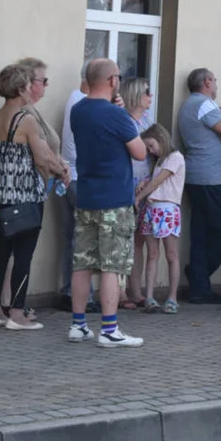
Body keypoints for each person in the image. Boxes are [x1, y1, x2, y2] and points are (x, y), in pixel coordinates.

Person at [69, 59, 148, 348]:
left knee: (82, 263)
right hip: (114, 198)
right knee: (112, 266)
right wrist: (125, 116)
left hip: (87, 194)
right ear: (113, 81)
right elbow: (139, 152)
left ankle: (78, 325)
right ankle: (109, 329)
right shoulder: (117, 116)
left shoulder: (78, 111)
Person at [0, 63, 69, 331]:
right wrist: (63, 171)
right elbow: (42, 155)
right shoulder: (26, 119)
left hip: (1, 195)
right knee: (24, 255)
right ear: (21, 88)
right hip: (25, 195)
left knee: (0, 253)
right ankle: (18, 313)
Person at [178, 68, 221, 304]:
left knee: (201, 234)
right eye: (214, 80)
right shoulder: (205, 105)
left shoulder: (189, 105)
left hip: (197, 176)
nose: (216, 85)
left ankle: (199, 289)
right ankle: (198, 275)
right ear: (207, 82)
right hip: (211, 179)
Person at [136, 123, 185, 314]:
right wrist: (145, 182)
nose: (150, 150)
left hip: (167, 209)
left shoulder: (175, 157)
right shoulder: (157, 162)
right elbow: (153, 179)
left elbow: (160, 181)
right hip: (152, 209)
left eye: (150, 145)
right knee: (152, 254)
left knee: (171, 254)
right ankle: (149, 296)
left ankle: (172, 297)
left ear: (161, 138)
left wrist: (139, 197)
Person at [59, 61, 95, 311]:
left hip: (72, 177)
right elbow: (76, 147)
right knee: (82, 239)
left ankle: (69, 290)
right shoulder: (81, 102)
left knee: (74, 237)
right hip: (79, 179)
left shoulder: (76, 99)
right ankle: (79, 295)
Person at [119, 77, 155, 309]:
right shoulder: (125, 121)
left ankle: (136, 289)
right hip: (127, 182)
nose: (150, 97)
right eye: (147, 92)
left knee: (139, 240)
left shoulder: (147, 121)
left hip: (145, 183)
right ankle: (119, 291)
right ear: (136, 95)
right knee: (122, 239)